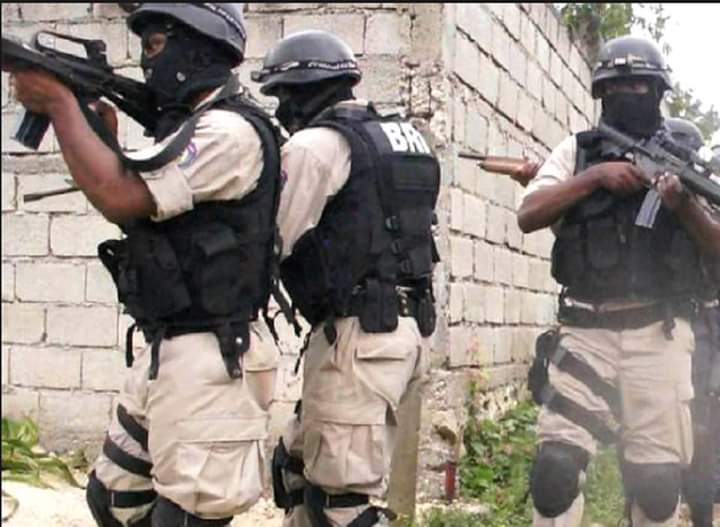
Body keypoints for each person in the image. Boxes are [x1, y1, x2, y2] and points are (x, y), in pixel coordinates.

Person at [10, 4, 283, 526]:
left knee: (186, 517)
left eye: (156, 46)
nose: (145, 61)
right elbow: (139, 202)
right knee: (114, 500)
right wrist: (98, 131)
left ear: (197, 48)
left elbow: (119, 195)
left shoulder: (228, 132)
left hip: (213, 356)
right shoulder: (194, 126)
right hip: (171, 347)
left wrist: (60, 103)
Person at [517, 35, 720, 526]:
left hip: (659, 335)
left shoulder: (684, 160)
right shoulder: (579, 151)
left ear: (659, 92)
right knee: (554, 473)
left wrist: (683, 205)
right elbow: (529, 213)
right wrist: (596, 177)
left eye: (641, 86)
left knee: (657, 486)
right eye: (617, 86)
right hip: (585, 332)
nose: (629, 94)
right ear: (601, 94)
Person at [253, 30, 441, 527]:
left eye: (281, 97)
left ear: (300, 92)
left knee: (342, 505)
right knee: (297, 469)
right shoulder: (403, 139)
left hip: (359, 338)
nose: (280, 110)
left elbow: (270, 240)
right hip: (402, 332)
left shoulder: (317, 145)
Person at [665, 118, 720, 527]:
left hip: (703, 323)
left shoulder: (705, 199)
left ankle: (701, 510)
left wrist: (685, 205)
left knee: (701, 423)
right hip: (663, 323)